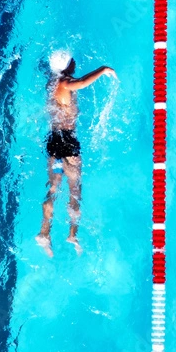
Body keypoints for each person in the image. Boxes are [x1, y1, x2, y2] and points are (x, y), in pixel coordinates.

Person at [36, 51, 117, 257]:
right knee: (75, 189)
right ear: (66, 66)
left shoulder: (52, 82)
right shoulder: (64, 83)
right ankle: (72, 235)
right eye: (71, 60)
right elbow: (80, 83)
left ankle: (44, 233)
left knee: (54, 188)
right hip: (68, 142)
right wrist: (103, 69)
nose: (74, 62)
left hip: (54, 140)